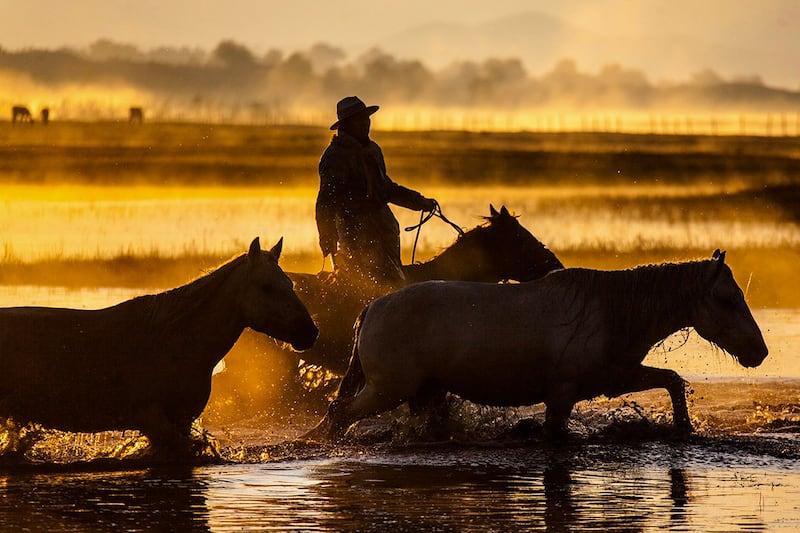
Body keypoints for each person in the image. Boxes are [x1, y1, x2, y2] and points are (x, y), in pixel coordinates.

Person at [316, 96, 437, 284]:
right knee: (366, 286)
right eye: (359, 119)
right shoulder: (335, 157)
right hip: (355, 236)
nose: (365, 123)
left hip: (385, 231)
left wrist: (419, 201)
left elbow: (386, 188)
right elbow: (326, 203)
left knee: (394, 282)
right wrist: (328, 239)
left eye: (366, 118)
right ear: (346, 125)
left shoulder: (373, 151)